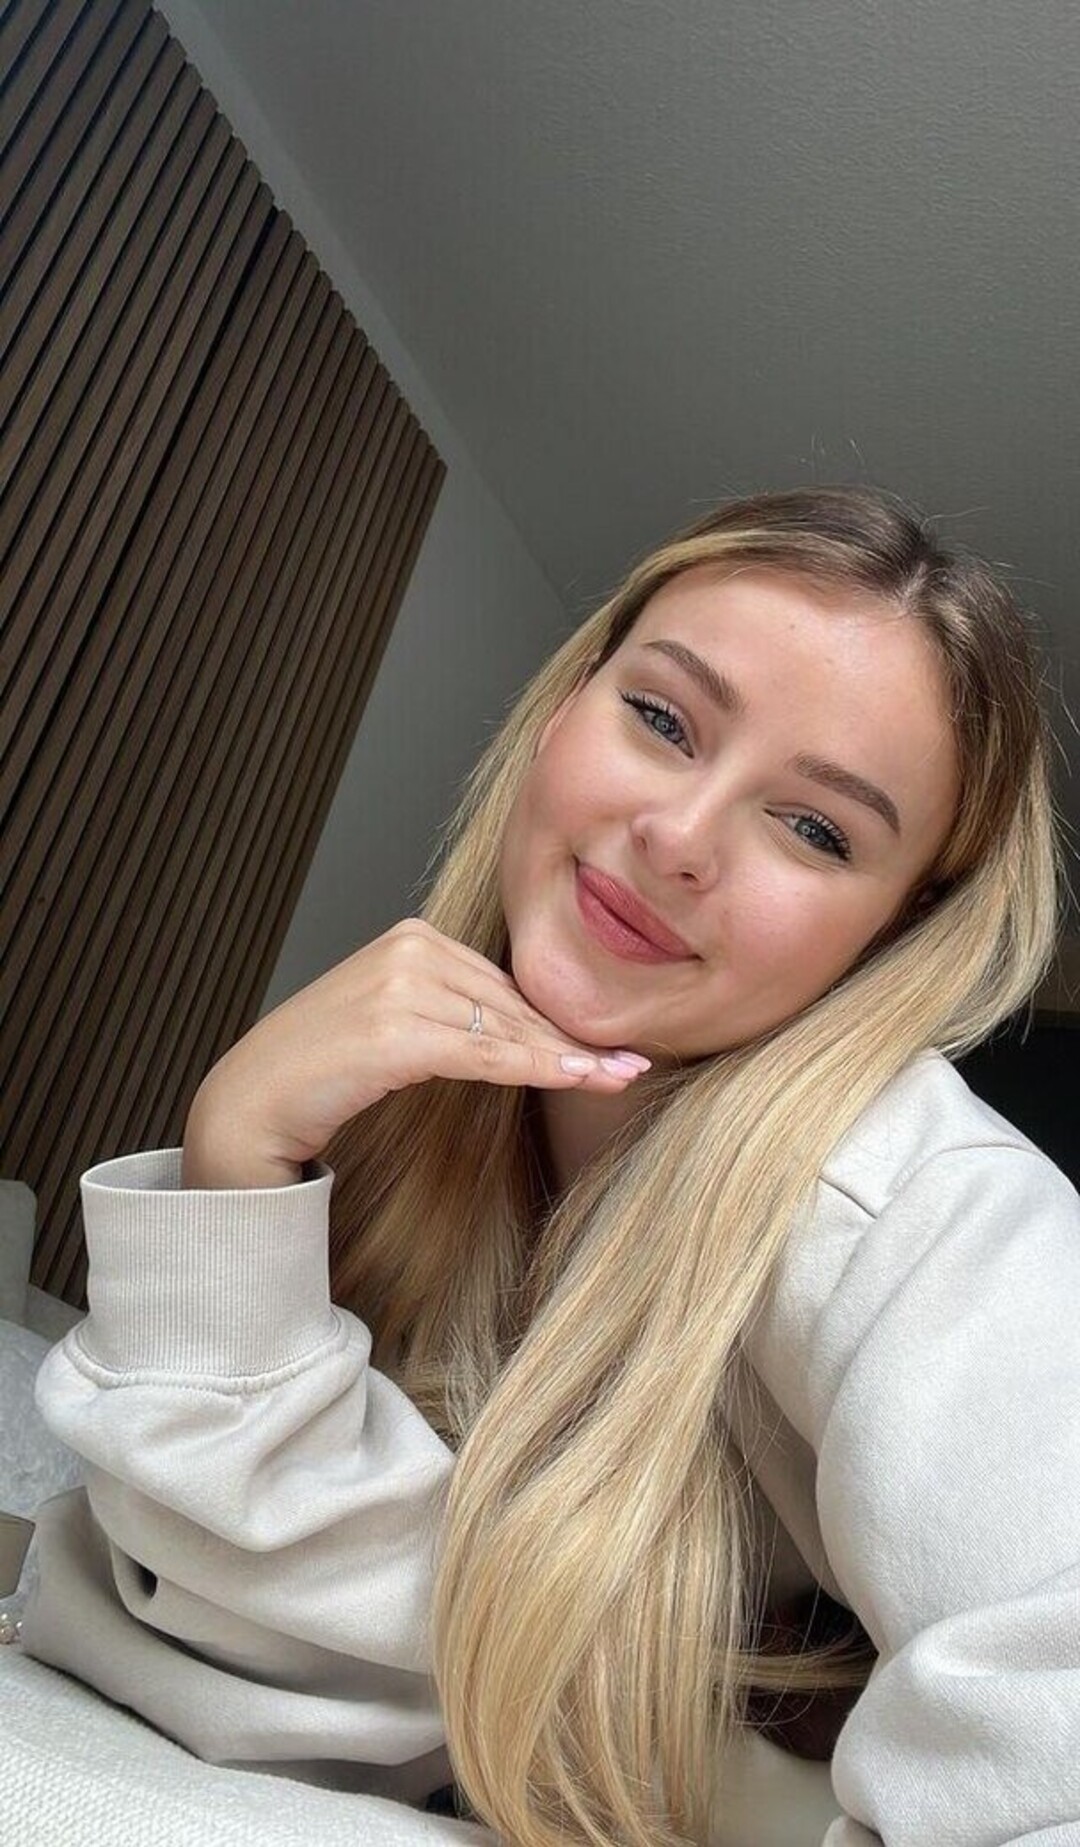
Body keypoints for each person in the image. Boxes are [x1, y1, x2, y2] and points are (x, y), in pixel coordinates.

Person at [21, 485, 1080, 1847]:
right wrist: (238, 1162)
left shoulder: (915, 1197)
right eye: (663, 720)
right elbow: (262, 1645)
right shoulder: (422, 1116)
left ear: (892, 934)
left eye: (816, 829)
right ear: (566, 705)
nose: (681, 839)